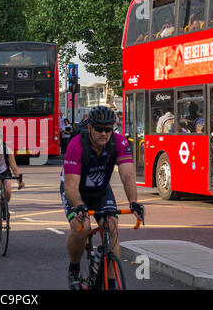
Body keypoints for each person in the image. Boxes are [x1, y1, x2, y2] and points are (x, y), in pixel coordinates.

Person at [60, 106, 144, 290]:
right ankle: (74, 269)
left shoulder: (120, 143)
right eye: (99, 128)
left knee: (112, 225)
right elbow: (71, 186)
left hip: (100, 189)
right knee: (83, 227)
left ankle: (111, 283)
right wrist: (80, 206)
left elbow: (128, 176)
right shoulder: (76, 144)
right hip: (75, 189)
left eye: (108, 129)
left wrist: (134, 202)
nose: (103, 133)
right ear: (89, 127)